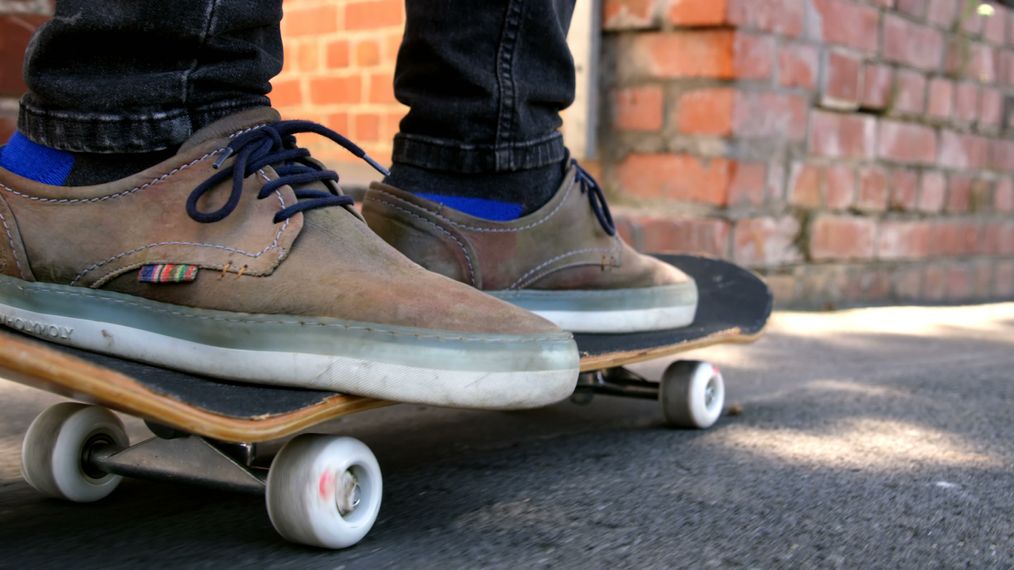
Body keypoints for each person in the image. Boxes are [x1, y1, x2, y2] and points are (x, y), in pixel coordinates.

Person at [0, 0, 697, 408]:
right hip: (137, 142)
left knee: (493, 142)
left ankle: (484, 173)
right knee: (156, 103)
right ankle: (131, 136)